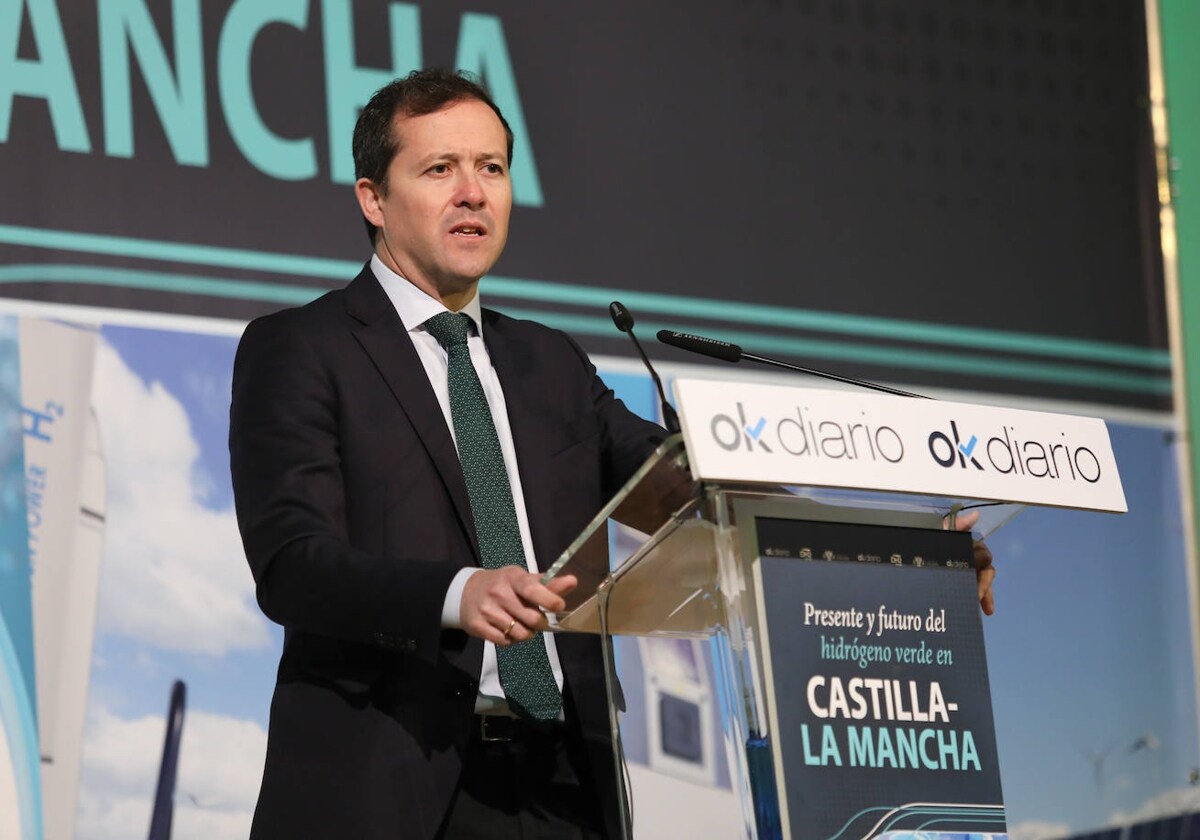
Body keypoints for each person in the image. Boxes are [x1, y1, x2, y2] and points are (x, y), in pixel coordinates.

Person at [229, 68, 666, 840]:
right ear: (373, 198)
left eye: (491, 169)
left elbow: (677, 486)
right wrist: (458, 593)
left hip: (565, 789)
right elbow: (293, 566)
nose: (474, 193)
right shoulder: (302, 347)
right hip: (390, 789)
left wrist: (898, 550)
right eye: (440, 169)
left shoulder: (551, 363)